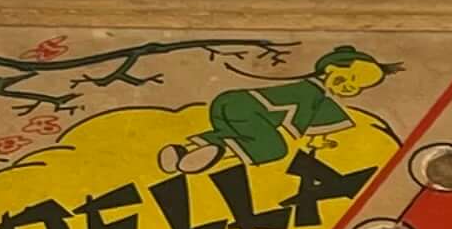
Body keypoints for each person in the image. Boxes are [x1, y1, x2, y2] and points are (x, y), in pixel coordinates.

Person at [159, 48, 388, 177]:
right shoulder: (310, 91)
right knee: (273, 148)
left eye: (358, 87)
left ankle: (182, 152)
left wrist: (318, 141)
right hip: (248, 108)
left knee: (237, 135)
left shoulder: (314, 94)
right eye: (351, 77)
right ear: (331, 68)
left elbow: (319, 119)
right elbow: (303, 118)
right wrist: (305, 137)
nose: (349, 87)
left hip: (228, 104)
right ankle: (213, 154)